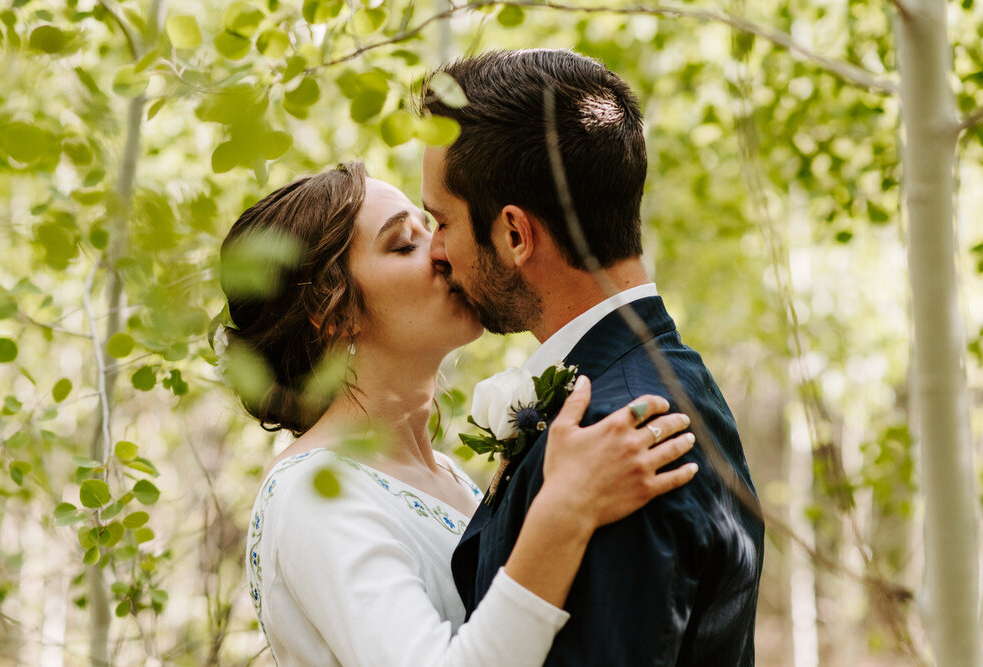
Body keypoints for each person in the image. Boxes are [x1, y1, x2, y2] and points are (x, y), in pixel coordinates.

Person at [222, 161, 700, 666]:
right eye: (404, 244)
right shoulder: (314, 494)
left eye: (434, 228)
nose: (444, 251)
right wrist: (565, 511)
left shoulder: (450, 479)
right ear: (333, 310)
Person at [419, 49, 765, 665]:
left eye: (440, 221)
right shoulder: (659, 378)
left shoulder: (619, 435)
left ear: (515, 235)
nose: (436, 251)